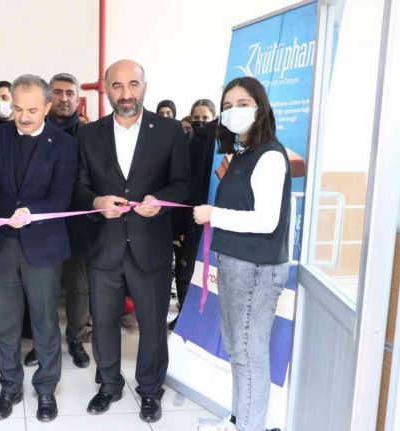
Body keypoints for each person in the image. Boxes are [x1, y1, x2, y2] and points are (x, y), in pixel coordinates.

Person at [74, 59, 191, 423]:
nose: (126, 94)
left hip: (150, 245)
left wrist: (161, 200)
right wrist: (96, 202)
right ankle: (109, 385)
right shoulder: (88, 134)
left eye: (133, 84)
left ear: (144, 87)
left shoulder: (170, 131)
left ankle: (150, 390)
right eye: (117, 86)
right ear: (106, 89)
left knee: (153, 324)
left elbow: (183, 184)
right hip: (104, 244)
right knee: (103, 322)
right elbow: (78, 187)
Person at [0, 74, 78, 422]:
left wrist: (31, 213)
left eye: (32, 110)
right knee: (5, 321)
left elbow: (61, 196)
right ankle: (10, 386)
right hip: (3, 244)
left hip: (42, 245)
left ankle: (46, 387)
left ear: (47, 106)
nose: (24, 117)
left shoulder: (63, 144)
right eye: (17, 109)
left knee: (45, 320)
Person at [194, 76, 291, 431]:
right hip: (237, 264)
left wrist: (213, 214)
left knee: (249, 353)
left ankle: (249, 425)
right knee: (238, 349)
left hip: (256, 268)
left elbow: (266, 221)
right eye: (228, 106)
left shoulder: (269, 155)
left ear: (260, 107)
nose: (234, 111)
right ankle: (240, 418)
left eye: (243, 104)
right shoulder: (244, 153)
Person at [46, 72, 90, 368]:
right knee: (45, 288)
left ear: (77, 98)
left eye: (69, 93)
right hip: (44, 224)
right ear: (49, 96)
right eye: (58, 92)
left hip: (79, 224)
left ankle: (76, 339)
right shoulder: (37, 130)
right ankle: (45, 343)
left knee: (78, 287)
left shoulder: (90, 134)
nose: (63, 98)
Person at [170, 98, 218, 330]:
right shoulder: (188, 143)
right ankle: (184, 315)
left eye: (205, 118)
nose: (200, 123)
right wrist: (178, 226)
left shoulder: (221, 145)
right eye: (196, 118)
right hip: (189, 221)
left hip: (214, 219)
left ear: (214, 118)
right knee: (184, 270)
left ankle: (201, 321)